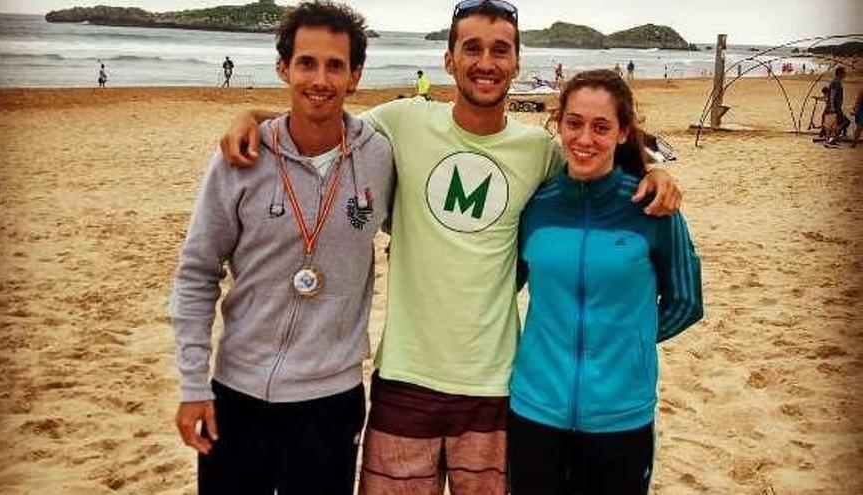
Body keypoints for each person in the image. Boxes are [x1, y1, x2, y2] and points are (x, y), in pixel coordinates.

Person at [217, 1, 682, 492]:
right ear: (448, 59)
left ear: (517, 63)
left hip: (496, 387)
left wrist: (655, 172)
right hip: (404, 379)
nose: (486, 61)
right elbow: (321, 119)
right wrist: (250, 114)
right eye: (472, 48)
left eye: (500, 50)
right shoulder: (401, 123)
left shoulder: (539, 152)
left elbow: (595, 162)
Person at [170, 3, 394, 494]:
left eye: (335, 65)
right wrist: (192, 385)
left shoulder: (379, 155)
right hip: (237, 393)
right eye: (307, 63)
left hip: (330, 400)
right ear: (283, 68)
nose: (320, 78)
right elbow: (196, 273)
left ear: (355, 76)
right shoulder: (241, 158)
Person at [508, 69, 703, 495]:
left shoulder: (650, 206)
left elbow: (686, 301)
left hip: (622, 415)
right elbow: (508, 287)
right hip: (534, 408)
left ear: (622, 133)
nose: (584, 139)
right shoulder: (537, 206)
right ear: (558, 124)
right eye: (574, 123)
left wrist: (629, 340)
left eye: (601, 127)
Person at [823, 66, 848, 148]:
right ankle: (831, 140)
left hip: (837, 107)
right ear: (840, 73)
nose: (845, 74)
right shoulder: (835, 83)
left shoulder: (837, 82)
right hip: (835, 107)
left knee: (840, 123)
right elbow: (832, 95)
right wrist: (832, 106)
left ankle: (832, 140)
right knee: (841, 123)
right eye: (844, 72)